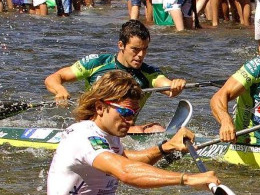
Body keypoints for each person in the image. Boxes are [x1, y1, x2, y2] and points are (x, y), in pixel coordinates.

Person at [46, 71, 219, 195]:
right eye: (125, 112)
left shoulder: (108, 134)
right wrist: (187, 179)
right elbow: (125, 171)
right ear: (99, 108)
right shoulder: (83, 137)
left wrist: (166, 147)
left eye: (134, 114)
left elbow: (127, 159)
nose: (130, 121)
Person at [44, 20, 187, 133]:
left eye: (144, 50)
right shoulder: (97, 63)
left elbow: (168, 88)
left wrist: (175, 86)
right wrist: (60, 90)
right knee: (142, 129)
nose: (140, 55)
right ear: (121, 45)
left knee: (156, 128)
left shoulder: (148, 72)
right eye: (135, 50)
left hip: (123, 130)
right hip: (89, 128)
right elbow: (54, 78)